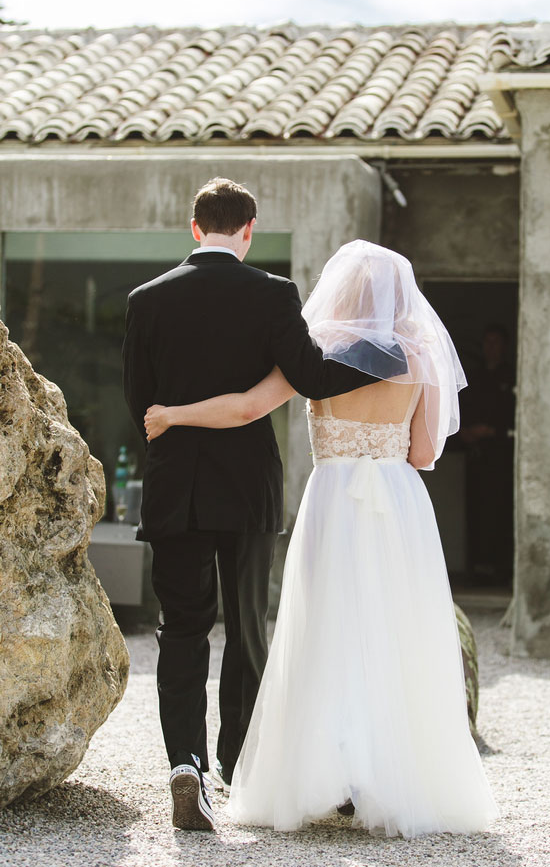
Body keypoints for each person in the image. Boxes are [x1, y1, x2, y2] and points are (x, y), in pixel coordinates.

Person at [144, 240, 498, 838]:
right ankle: (384, 779)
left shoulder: (316, 354)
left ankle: (327, 773)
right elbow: (424, 451)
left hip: (333, 499)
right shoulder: (417, 354)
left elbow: (247, 409)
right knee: (394, 631)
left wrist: (174, 414)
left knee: (326, 631)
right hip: (397, 500)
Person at [122, 179, 387, 832]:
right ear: (249, 229)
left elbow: (142, 407)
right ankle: (236, 767)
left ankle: (185, 766)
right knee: (247, 630)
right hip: (247, 488)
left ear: (193, 228)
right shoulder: (273, 295)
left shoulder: (145, 300)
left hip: (175, 488)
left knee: (181, 629)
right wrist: (384, 355)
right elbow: (315, 376)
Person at [459, 324, 515, 586]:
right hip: (476, 458)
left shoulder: (512, 378)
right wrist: (467, 434)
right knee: (476, 511)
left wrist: (492, 431)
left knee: (501, 512)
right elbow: (459, 414)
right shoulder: (473, 378)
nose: (491, 347)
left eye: (496, 342)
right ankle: (476, 570)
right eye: (487, 342)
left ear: (504, 346)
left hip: (502, 459)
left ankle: (501, 571)